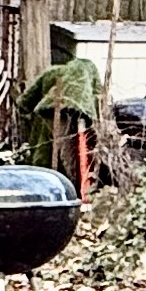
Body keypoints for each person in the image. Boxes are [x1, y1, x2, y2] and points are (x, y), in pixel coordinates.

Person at [21, 24, 104, 195]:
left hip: (50, 109)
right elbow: (99, 97)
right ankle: (76, 188)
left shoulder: (53, 72)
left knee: (46, 149)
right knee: (74, 153)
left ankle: (43, 184)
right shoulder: (88, 71)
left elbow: (25, 101)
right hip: (80, 111)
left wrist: (26, 113)